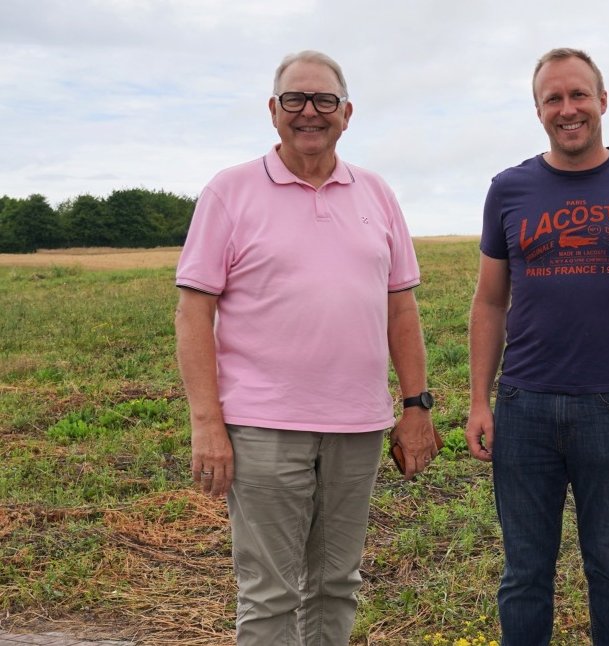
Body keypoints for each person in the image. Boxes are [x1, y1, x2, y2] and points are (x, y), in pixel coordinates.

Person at [174, 50, 439, 644]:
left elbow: (401, 306)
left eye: (324, 100)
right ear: (273, 111)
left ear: (347, 113)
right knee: (268, 593)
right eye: (295, 99)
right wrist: (206, 423)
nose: (309, 112)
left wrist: (416, 407)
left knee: (336, 583)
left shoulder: (376, 193)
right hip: (263, 427)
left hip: (357, 426)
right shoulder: (229, 191)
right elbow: (194, 311)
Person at [466, 47, 609, 646]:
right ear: (538, 111)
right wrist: (479, 400)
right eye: (553, 99)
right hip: (525, 405)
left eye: (578, 94)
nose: (568, 109)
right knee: (525, 572)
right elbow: (488, 302)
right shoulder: (509, 189)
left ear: (602, 100)